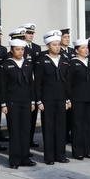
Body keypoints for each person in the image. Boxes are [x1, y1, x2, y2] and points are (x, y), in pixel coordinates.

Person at [0, 39, 36, 169]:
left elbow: (31, 84)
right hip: (12, 102)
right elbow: (2, 86)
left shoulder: (27, 64)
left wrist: (32, 101)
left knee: (25, 130)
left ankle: (25, 157)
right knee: (14, 130)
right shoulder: (6, 64)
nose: (20, 52)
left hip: (26, 101)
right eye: (17, 50)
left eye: (22, 50)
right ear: (12, 50)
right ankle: (14, 159)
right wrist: (3, 103)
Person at [36, 29, 71, 165]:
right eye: (54, 44)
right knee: (49, 127)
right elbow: (37, 83)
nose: (57, 47)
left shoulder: (64, 59)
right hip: (47, 99)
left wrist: (67, 99)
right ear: (48, 46)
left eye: (58, 44)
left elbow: (67, 81)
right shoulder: (42, 61)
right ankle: (49, 157)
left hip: (61, 98)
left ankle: (60, 155)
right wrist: (39, 100)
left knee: (61, 127)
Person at [68, 38, 90, 160]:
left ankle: (87, 150)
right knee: (77, 125)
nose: (86, 50)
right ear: (76, 50)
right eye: (83, 48)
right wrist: (69, 98)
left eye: (87, 48)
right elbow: (68, 82)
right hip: (77, 98)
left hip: (89, 98)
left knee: (88, 124)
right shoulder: (73, 63)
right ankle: (78, 151)